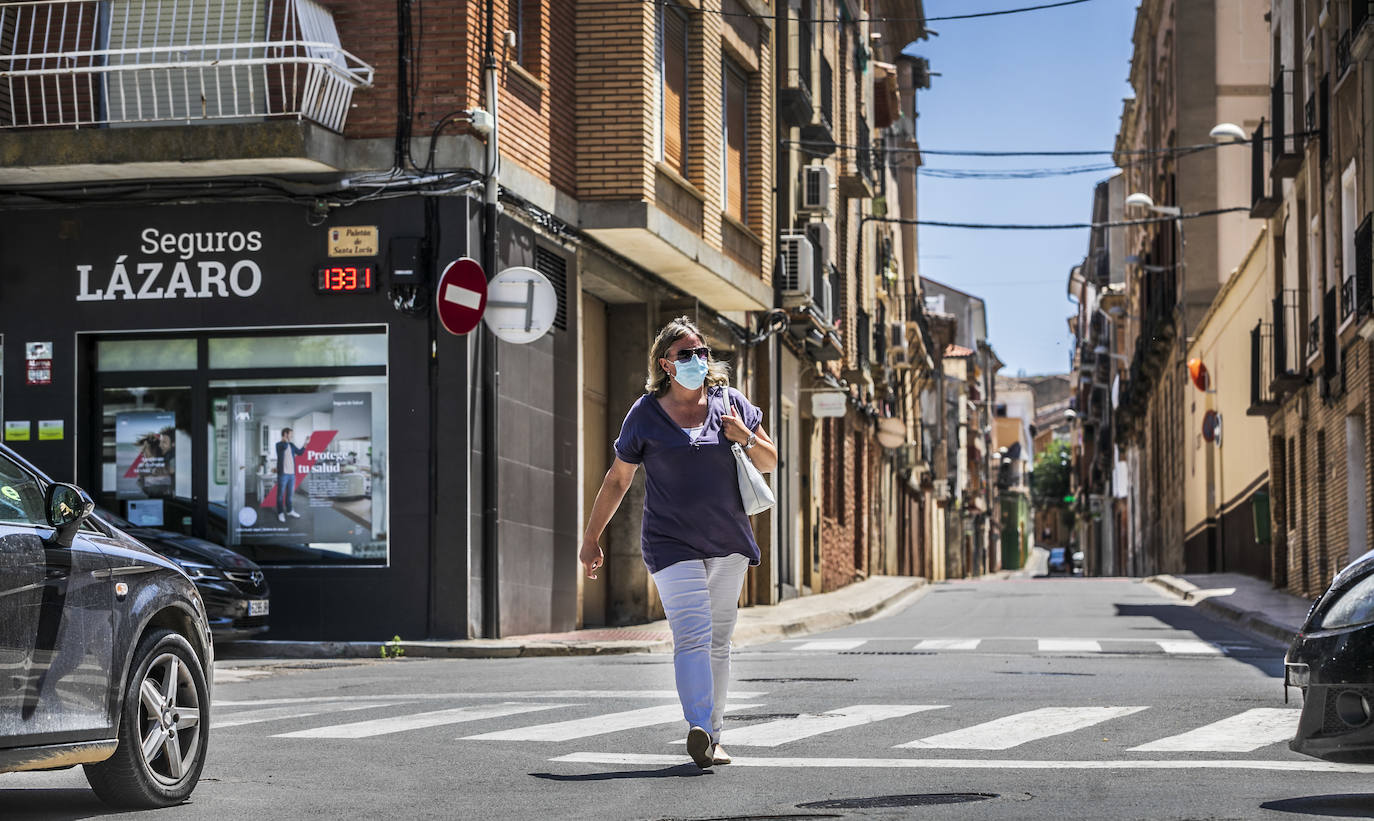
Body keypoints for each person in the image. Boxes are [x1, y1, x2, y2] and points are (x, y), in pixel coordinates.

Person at [580, 316, 777, 770]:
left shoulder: (730, 403)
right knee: (692, 635)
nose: (697, 360)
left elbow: (770, 460)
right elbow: (618, 479)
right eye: (685, 354)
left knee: (719, 641)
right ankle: (700, 727)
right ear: (665, 364)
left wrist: (744, 437)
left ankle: (715, 733)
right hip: (671, 545)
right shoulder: (645, 414)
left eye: (702, 352)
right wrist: (591, 537)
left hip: (728, 541)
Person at [275, 428, 305, 522]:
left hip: (292, 474)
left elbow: (300, 453)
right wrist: (286, 439)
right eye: (290, 434)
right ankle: (280, 513)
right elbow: (284, 446)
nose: (292, 435)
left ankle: (289, 511)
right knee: (280, 495)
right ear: (285, 434)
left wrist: (305, 444)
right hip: (283, 474)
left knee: (290, 495)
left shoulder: (291, 445)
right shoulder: (279, 445)